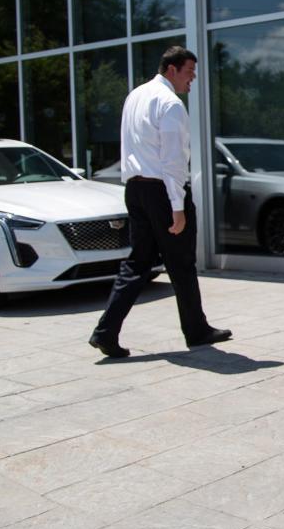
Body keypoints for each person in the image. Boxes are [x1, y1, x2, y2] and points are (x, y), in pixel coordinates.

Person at [89, 46, 230, 358]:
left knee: (138, 262)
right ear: (172, 70)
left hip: (136, 190)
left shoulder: (135, 96)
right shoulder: (170, 104)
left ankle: (105, 331)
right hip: (163, 193)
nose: (192, 80)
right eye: (189, 73)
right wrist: (177, 207)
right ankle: (197, 331)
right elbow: (173, 161)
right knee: (181, 263)